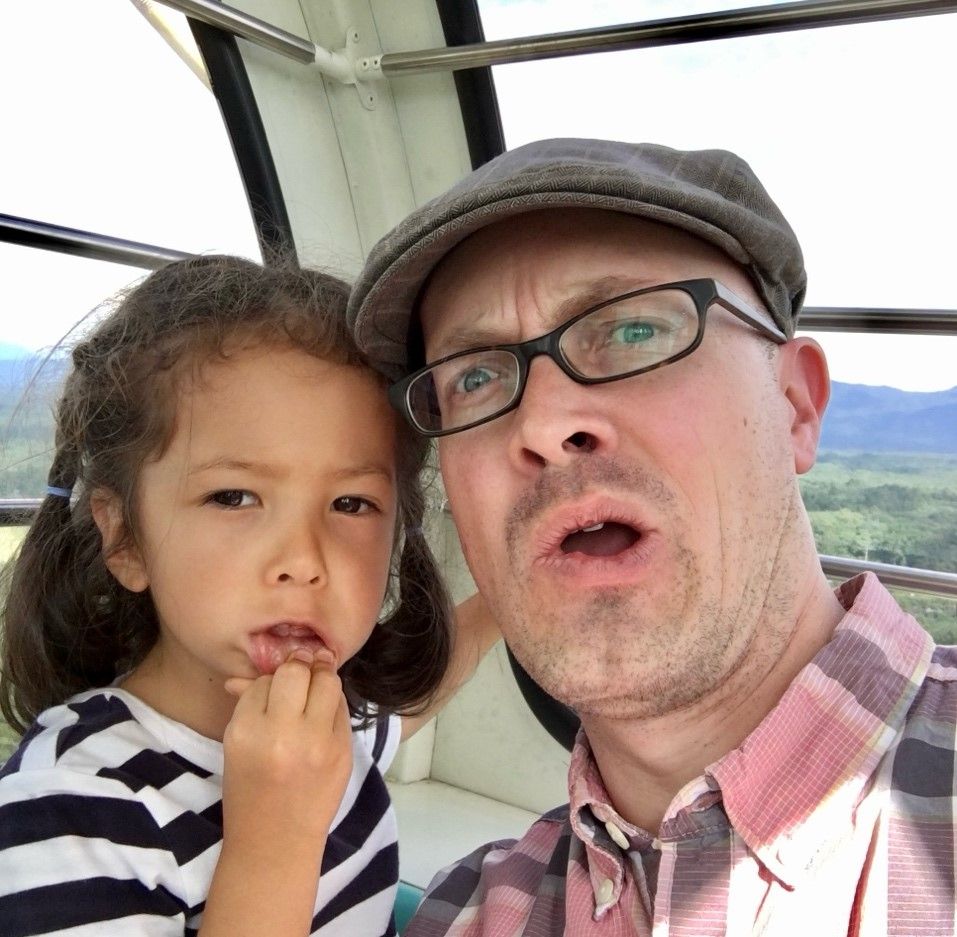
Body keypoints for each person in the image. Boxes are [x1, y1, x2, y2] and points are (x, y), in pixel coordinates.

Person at [347, 139, 957, 935]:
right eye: (474, 377)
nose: (544, 421)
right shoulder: (468, 914)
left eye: (633, 331)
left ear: (795, 407)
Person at [0, 255, 498, 936]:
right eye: (233, 496)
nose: (303, 559)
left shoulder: (319, 731)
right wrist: (275, 837)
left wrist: (505, 599)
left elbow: (405, 708)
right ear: (125, 541)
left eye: (352, 502)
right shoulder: (65, 812)